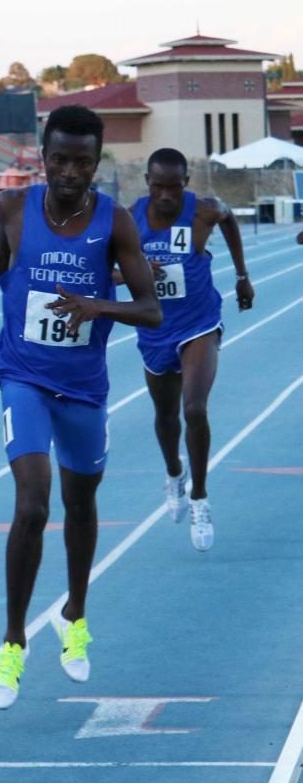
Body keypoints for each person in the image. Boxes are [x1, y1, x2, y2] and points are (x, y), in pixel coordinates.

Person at [0, 104, 160, 710]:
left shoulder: (116, 222)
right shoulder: (13, 208)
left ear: (96, 162)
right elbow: (0, 263)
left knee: (81, 502)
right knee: (32, 501)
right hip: (22, 377)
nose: (70, 171)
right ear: (43, 158)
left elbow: (151, 309)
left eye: (83, 161)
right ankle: (12, 643)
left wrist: (97, 306)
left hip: (84, 387)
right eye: (60, 159)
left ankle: (74, 615)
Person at [125, 148, 254, 551]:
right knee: (166, 416)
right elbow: (105, 271)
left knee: (194, 408)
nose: (166, 194)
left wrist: (241, 275)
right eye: (158, 185)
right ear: (148, 182)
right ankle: (174, 472)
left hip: (199, 323)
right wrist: (138, 272)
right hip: (155, 328)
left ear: (186, 181)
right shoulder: (129, 219)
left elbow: (230, 220)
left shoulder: (203, 211)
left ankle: (199, 496)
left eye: (174, 186)